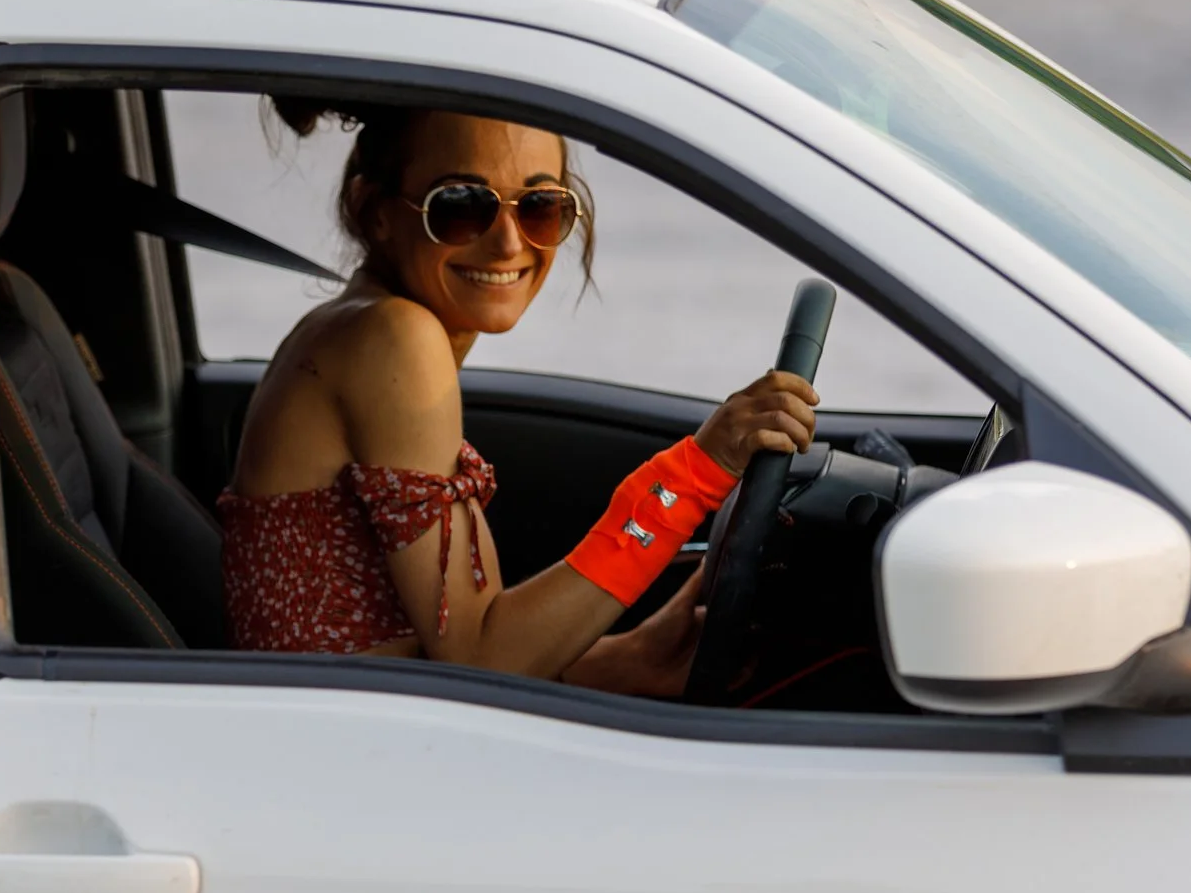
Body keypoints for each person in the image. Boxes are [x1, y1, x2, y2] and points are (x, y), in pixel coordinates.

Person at [219, 99, 819, 697]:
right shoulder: (392, 336)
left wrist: (625, 657)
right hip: (349, 753)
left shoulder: (359, 326)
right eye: (460, 206)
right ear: (373, 210)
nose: (509, 243)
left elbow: (429, 650)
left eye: (540, 206)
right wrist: (694, 475)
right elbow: (481, 659)